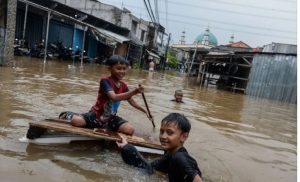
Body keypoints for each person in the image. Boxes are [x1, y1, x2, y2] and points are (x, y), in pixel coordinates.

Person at [59, 55, 150, 135]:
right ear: (110, 68)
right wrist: (135, 91)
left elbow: (131, 101)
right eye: (118, 68)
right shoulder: (105, 81)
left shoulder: (124, 86)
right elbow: (113, 97)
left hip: (110, 117)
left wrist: (145, 111)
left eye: (124, 68)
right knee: (76, 121)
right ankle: (69, 114)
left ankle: (107, 128)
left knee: (130, 129)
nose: (122, 71)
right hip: (96, 114)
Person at [116, 113, 203, 182]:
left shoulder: (180, 158)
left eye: (170, 133)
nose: (163, 136)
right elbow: (149, 168)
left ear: (183, 137)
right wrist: (127, 148)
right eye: (161, 132)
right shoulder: (170, 154)